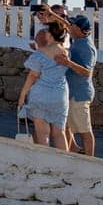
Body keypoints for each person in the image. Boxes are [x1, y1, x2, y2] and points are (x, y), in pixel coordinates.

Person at [40, 10, 98, 156]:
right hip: (71, 93)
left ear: (79, 29)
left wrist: (68, 63)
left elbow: (86, 72)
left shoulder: (87, 48)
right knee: (65, 127)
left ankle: (90, 162)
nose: (69, 27)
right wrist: (52, 14)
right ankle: (74, 152)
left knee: (85, 131)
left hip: (79, 95)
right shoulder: (78, 39)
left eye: (72, 26)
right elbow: (67, 25)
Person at [17, 23, 71, 151]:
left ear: (50, 35)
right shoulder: (66, 53)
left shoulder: (40, 53)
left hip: (41, 94)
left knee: (43, 133)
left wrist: (23, 94)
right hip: (60, 95)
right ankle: (65, 165)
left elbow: (33, 75)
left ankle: (46, 165)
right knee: (59, 133)